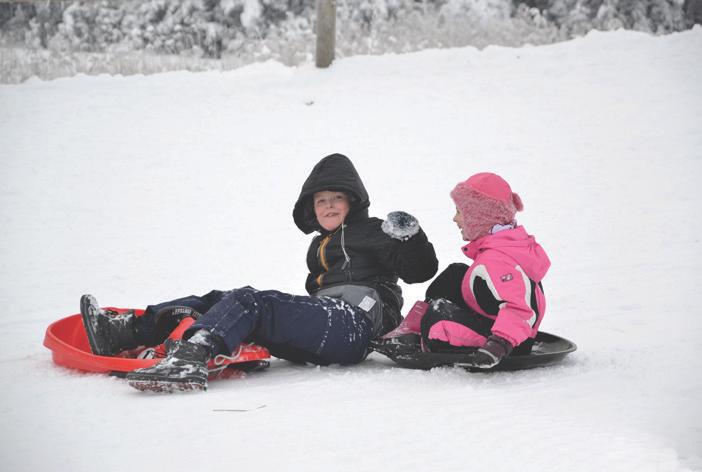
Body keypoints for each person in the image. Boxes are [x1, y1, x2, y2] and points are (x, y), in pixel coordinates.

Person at [80, 153, 438, 392]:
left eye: (336, 198)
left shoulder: (373, 230)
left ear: (352, 202)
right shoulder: (319, 245)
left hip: (356, 323)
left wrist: (411, 237)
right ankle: (125, 330)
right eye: (321, 200)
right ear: (312, 209)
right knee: (220, 301)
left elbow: (420, 270)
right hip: (328, 326)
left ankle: (191, 360)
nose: (328, 205)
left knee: (252, 303)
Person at [418, 172, 550, 368]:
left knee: (436, 319)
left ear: (479, 217)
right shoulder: (504, 245)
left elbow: (520, 309)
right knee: (455, 274)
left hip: (509, 342)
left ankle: (423, 331)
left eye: (460, 212)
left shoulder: (497, 260)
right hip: (499, 326)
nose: (454, 219)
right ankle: (414, 325)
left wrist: (498, 345)